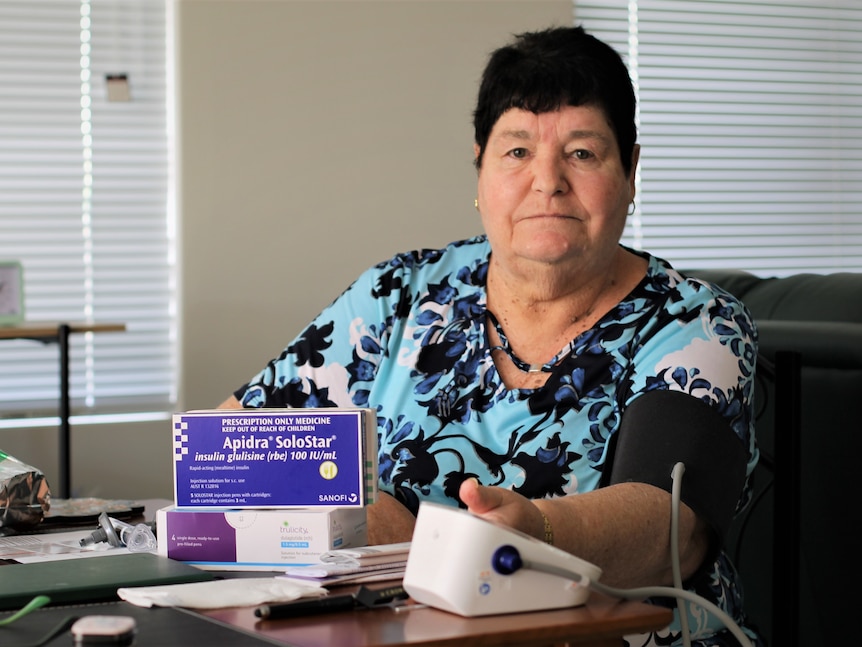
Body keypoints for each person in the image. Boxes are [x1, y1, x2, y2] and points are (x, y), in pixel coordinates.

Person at [219, 25, 763, 646]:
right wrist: (350, 514)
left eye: (583, 153)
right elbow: (226, 449)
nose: (548, 180)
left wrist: (530, 531)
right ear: (479, 170)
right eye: (516, 152)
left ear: (630, 171)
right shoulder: (397, 295)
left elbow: (672, 531)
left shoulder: (695, 325)